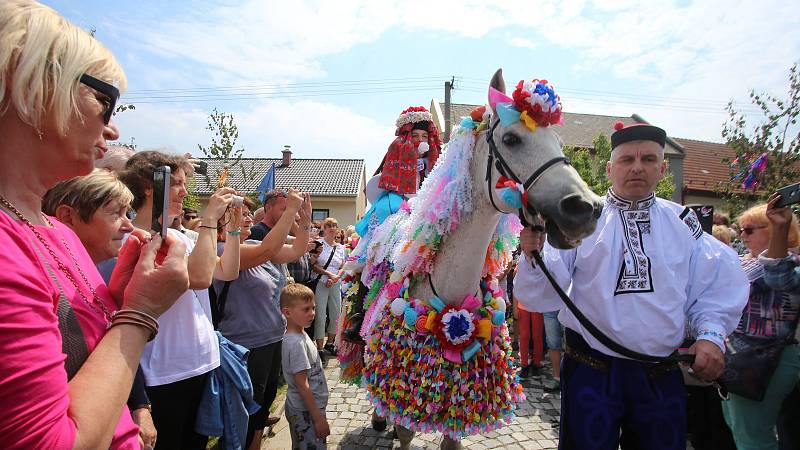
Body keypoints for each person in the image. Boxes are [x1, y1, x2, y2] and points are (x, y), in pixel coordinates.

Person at [0, 2, 189, 448]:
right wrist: (139, 314)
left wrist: (121, 298)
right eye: (106, 102)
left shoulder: (54, 229)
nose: (113, 131)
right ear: (31, 83)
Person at [515, 121, 749, 449]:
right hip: (592, 372)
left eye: (649, 159)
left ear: (663, 168)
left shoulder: (683, 222)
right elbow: (542, 293)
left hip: (659, 375)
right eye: (627, 160)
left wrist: (711, 335)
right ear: (610, 168)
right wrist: (533, 256)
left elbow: (714, 284)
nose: (637, 167)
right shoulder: (581, 218)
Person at [119, 150, 242, 449]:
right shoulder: (132, 239)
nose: (185, 192)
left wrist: (235, 230)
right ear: (150, 186)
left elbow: (226, 271)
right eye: (176, 183)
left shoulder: (180, 237)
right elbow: (198, 278)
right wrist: (210, 218)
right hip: (163, 373)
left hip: (200, 364)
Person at [41, 169, 161, 448]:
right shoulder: (47, 281)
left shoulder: (89, 271)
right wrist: (141, 309)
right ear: (67, 216)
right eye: (115, 213)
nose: (128, 226)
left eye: (127, 214)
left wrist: (139, 405)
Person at [212, 193, 312, 450]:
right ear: (223, 222)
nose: (247, 218)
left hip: (271, 338)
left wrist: (306, 218)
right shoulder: (223, 249)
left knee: (263, 402)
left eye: (247, 214)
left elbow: (297, 250)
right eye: (240, 214)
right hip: (245, 343)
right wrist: (290, 211)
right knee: (245, 409)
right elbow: (267, 250)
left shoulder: (256, 243)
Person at [721, 198, 800, 450]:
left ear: (781, 231)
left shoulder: (793, 267)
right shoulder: (741, 263)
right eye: (741, 229)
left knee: (754, 440)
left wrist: (779, 227)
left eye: (750, 229)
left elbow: (777, 276)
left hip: (766, 359)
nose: (742, 235)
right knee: (740, 430)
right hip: (737, 357)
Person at [280, 283, 331, 449]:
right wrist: (317, 419)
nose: (312, 314)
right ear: (287, 312)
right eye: (306, 309)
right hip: (306, 412)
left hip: (308, 409)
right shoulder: (296, 344)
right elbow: (302, 384)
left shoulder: (301, 334)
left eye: (313, 308)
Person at [312, 217, 346, 354]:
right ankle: (319, 347)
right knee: (320, 315)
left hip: (335, 283)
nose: (332, 228)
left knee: (336, 314)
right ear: (324, 229)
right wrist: (329, 275)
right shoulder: (318, 244)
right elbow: (313, 265)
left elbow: (343, 264)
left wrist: (336, 276)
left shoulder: (341, 248)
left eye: (334, 225)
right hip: (321, 282)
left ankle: (330, 343)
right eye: (329, 225)